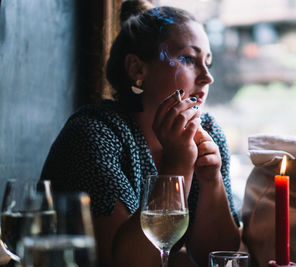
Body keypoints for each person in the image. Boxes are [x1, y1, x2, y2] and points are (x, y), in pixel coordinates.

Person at [40, 1, 241, 266]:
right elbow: (125, 262)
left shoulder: (208, 133)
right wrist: (177, 166)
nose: (207, 77)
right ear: (137, 69)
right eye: (188, 59)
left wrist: (211, 178)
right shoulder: (94, 135)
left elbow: (218, 258)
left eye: (208, 62)